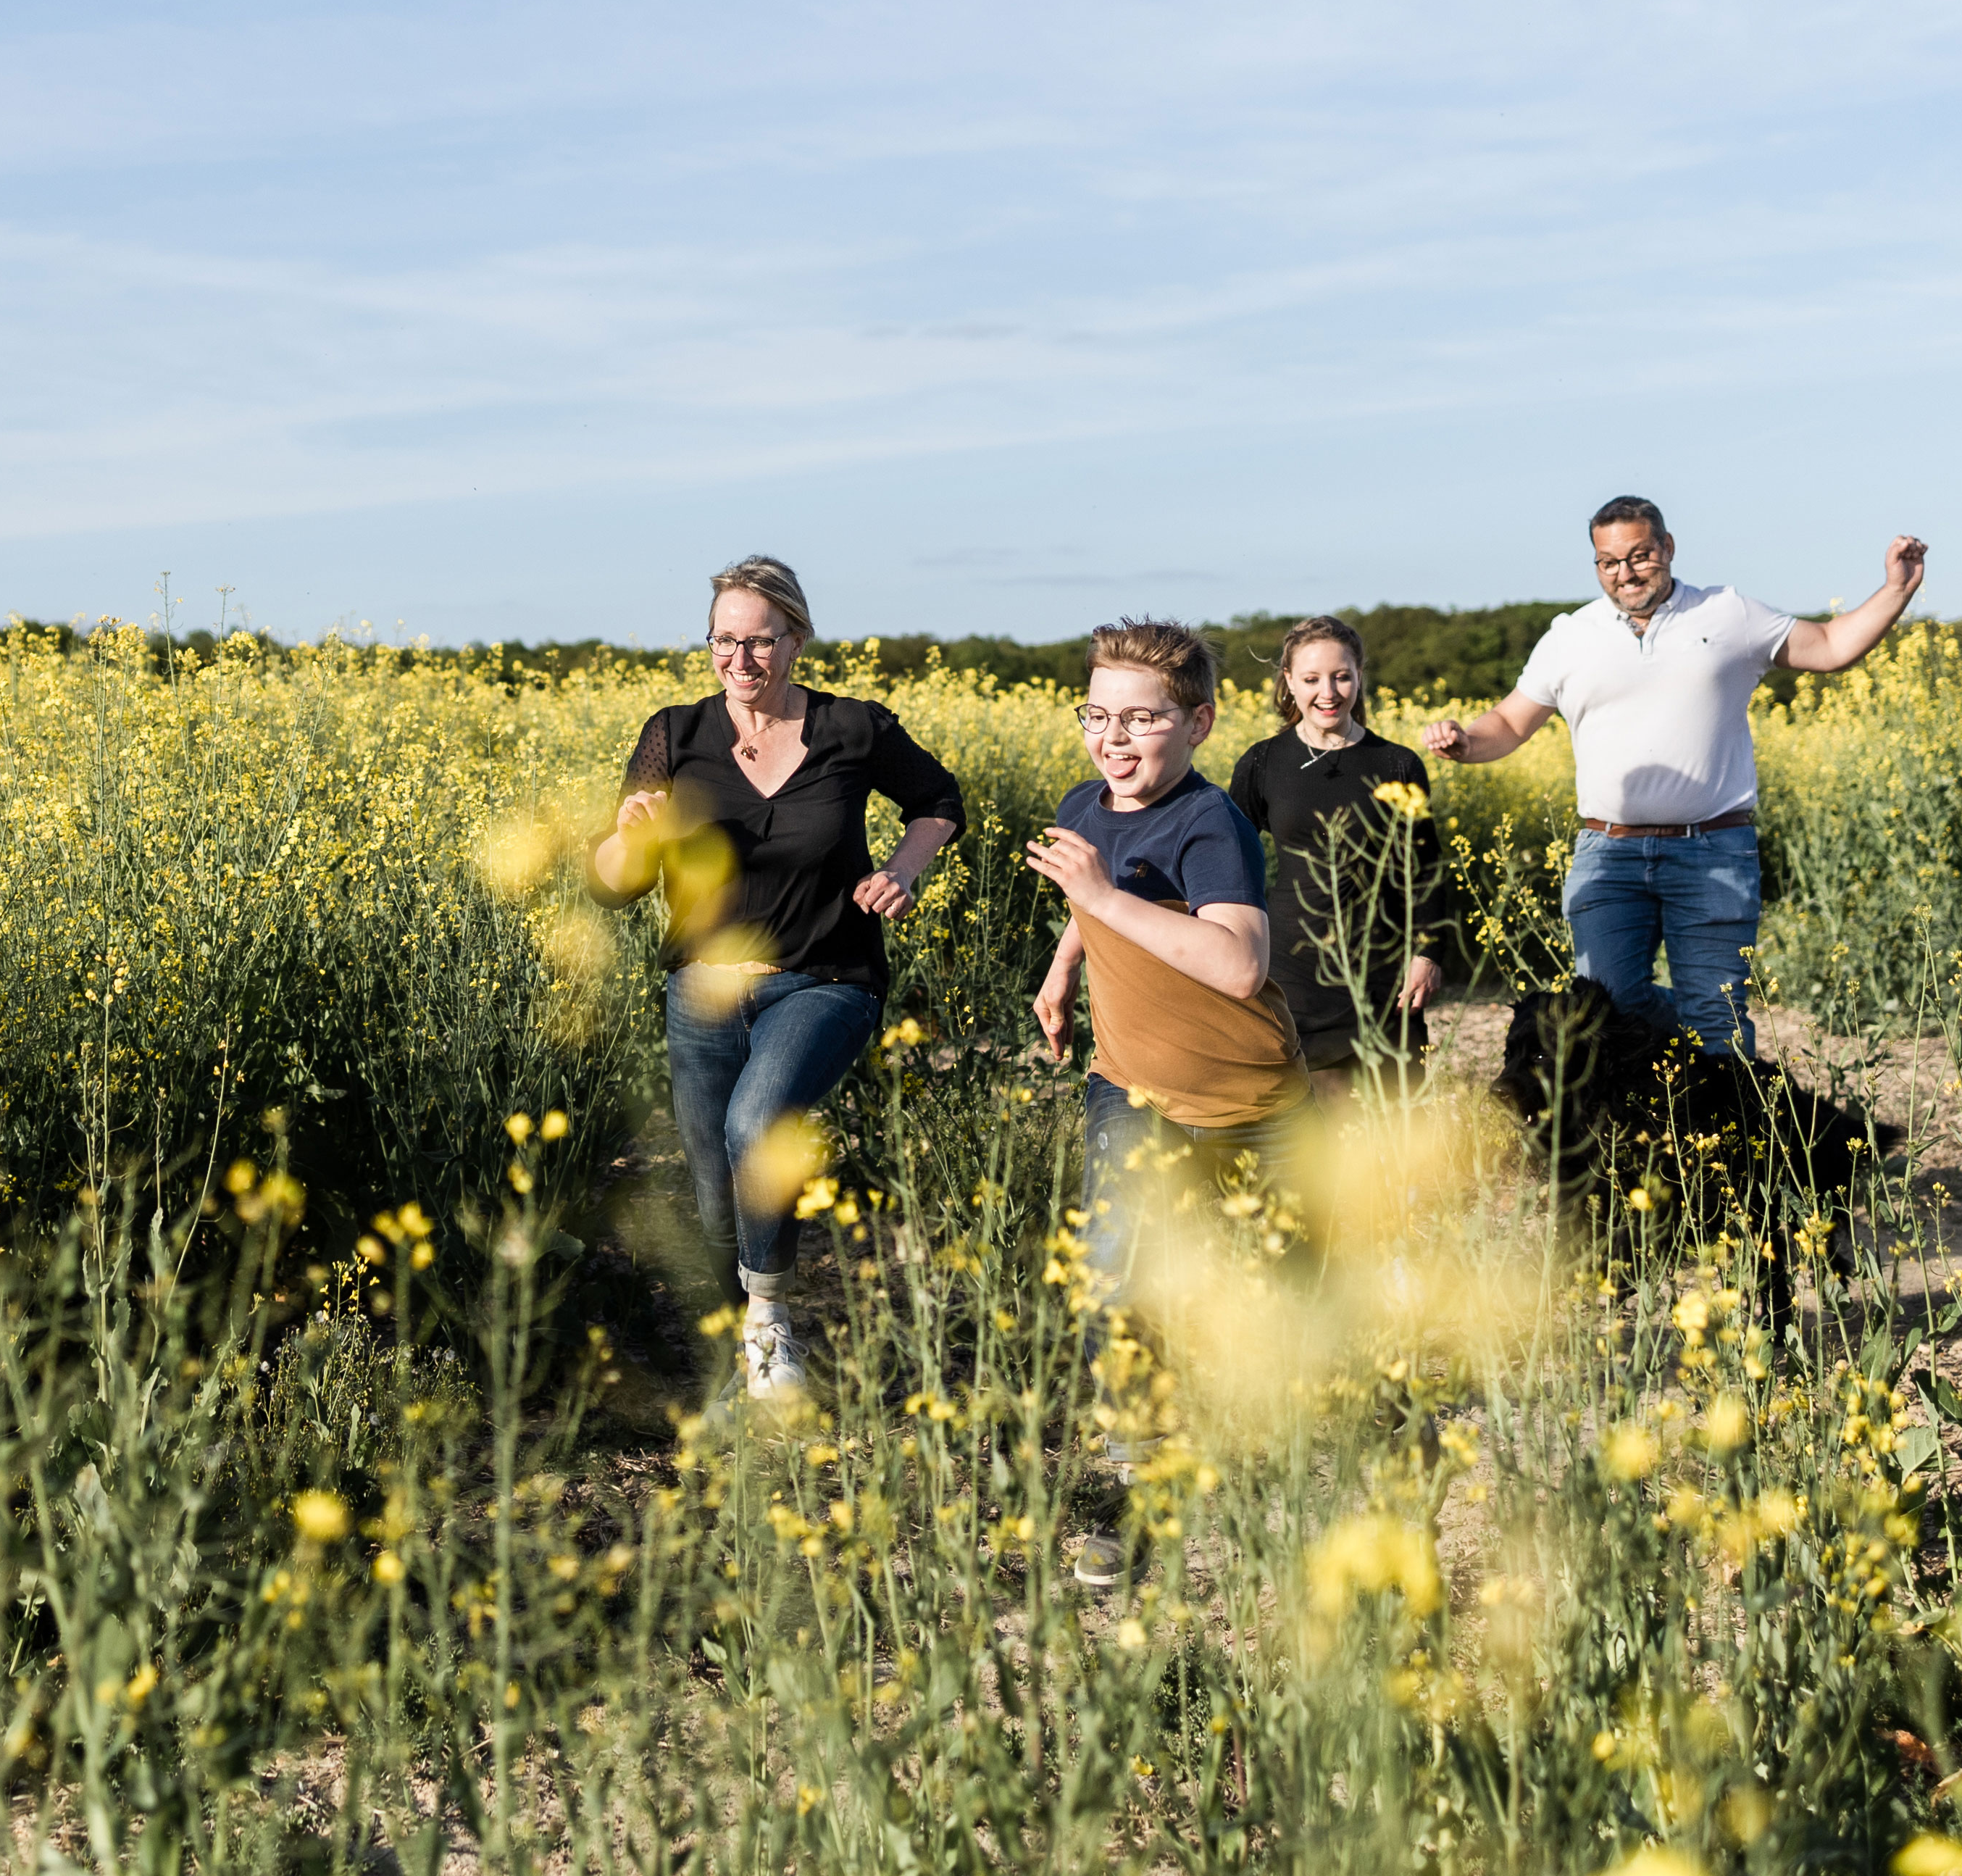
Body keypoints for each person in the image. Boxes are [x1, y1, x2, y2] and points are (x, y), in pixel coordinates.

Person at [587, 555, 964, 1402]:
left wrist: (903, 869)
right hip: (702, 991)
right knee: (714, 1193)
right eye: (724, 640)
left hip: (825, 978)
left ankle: (771, 1326)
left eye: (760, 640)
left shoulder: (853, 728)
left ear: (796, 639)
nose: (741, 658)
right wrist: (630, 837)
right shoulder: (675, 734)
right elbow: (612, 886)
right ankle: (740, 1366)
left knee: (757, 1125)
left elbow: (940, 801)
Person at [1418, 496, 1926, 1059]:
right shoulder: (1570, 636)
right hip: (1607, 856)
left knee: (1714, 1013)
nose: (1626, 573)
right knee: (1610, 1011)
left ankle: (1732, 1108)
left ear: (1668, 548)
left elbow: (1830, 647)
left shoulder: (1729, 614)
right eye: (1609, 562)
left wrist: (1897, 588)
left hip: (1713, 851)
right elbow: (1511, 723)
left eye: (1640, 556)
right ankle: (1683, 1085)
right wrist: (1466, 742)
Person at [1024, 620, 1303, 1311]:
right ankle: (1123, 1389)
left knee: (1300, 1288)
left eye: (1140, 718)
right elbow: (1097, 903)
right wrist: (1063, 967)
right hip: (1130, 1084)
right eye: (1097, 715)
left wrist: (1101, 896)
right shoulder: (1080, 807)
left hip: (1248, 1100)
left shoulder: (1210, 823)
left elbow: (1240, 964)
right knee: (1114, 1267)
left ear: (1198, 724)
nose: (1113, 738)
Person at [1226, 616, 1448, 1101]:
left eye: (1341, 676)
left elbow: (1426, 871)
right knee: (1310, 1122)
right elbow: (1227, 863)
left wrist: (1428, 953)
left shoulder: (1396, 763)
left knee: (1395, 1118)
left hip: (1382, 970)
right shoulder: (1264, 762)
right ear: (1289, 681)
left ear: (1360, 676)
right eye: (1311, 679)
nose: (1328, 693)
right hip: (1292, 970)